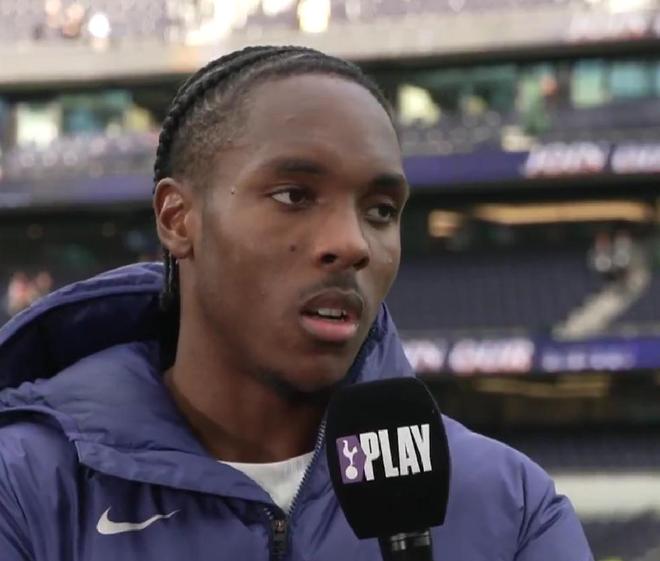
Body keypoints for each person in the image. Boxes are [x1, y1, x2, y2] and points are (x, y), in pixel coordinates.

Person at [0, 46, 593, 560]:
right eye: (294, 195)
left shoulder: (511, 507)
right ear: (177, 218)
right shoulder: (24, 490)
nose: (353, 244)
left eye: (381, 211)